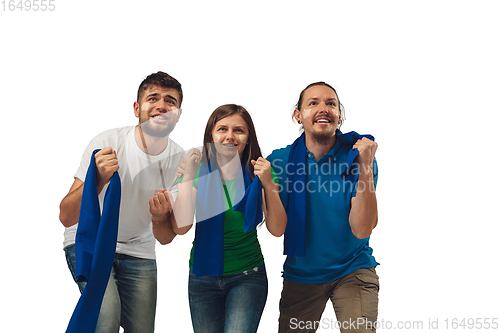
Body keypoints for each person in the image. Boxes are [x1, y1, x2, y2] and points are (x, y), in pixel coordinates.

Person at [59, 71, 185, 333]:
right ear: (137, 108)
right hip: (91, 240)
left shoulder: (179, 160)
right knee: (105, 315)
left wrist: (160, 217)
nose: (162, 105)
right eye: (153, 98)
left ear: (178, 114)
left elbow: (165, 237)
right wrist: (98, 180)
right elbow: (66, 216)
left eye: (170, 101)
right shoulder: (108, 142)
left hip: (138, 251)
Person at [163, 104, 287, 333]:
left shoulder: (261, 172)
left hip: (247, 276)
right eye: (222, 129)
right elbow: (181, 227)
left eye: (239, 130)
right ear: (211, 134)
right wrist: (188, 177)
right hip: (202, 277)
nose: (230, 136)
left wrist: (269, 185)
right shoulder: (196, 170)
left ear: (248, 137)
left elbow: (277, 229)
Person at [267, 82, 380, 333]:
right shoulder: (279, 162)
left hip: (353, 268)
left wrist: (366, 167)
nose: (323, 108)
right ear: (298, 115)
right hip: (302, 274)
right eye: (313, 103)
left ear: (339, 115)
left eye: (331, 103)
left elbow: (362, 229)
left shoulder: (359, 156)